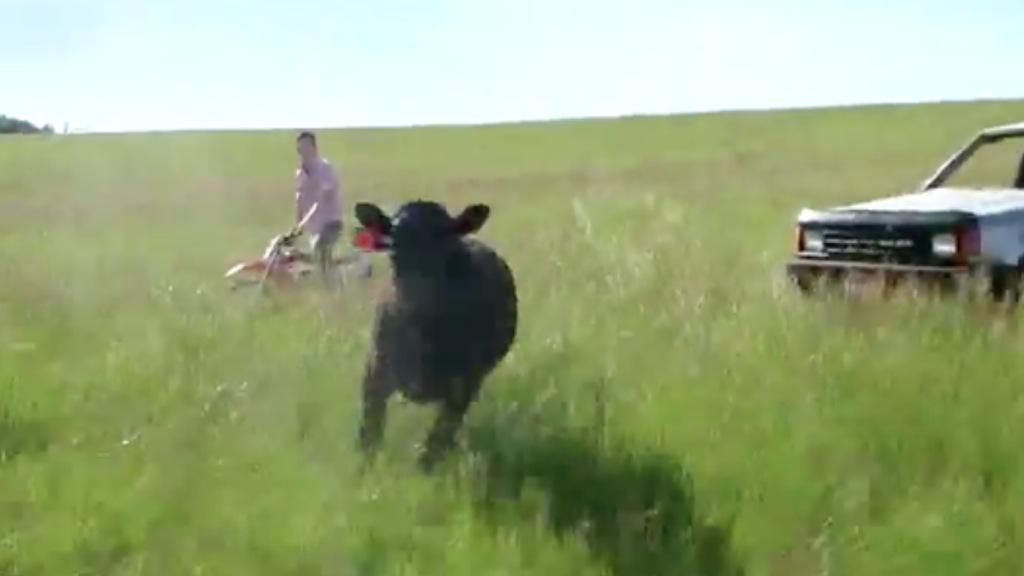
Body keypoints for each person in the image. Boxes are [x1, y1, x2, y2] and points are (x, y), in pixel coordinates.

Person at [293, 130, 343, 286]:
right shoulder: (300, 173)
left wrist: (311, 212)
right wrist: (298, 225)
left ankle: (335, 287)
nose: (303, 152)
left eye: (306, 147)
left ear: (314, 148)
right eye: (301, 148)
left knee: (320, 249)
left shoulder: (325, 168)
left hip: (331, 222)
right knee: (316, 256)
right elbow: (299, 200)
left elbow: (325, 193)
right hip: (315, 227)